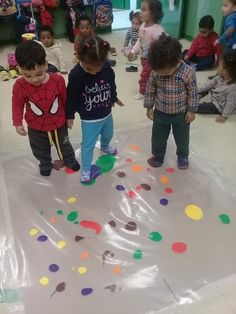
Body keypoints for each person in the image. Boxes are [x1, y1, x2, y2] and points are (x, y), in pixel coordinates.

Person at [12, 40, 80, 176]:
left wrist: (69, 116)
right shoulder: (20, 86)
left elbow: (65, 99)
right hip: (35, 126)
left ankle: (69, 160)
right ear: (19, 69)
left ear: (46, 65)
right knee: (39, 148)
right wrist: (17, 122)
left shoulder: (58, 80)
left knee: (64, 144)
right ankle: (45, 163)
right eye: (28, 75)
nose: (34, 79)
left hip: (59, 123)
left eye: (39, 74)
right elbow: (17, 104)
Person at [66, 35, 124, 183]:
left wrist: (113, 97)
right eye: (90, 69)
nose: (94, 72)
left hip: (106, 113)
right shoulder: (76, 75)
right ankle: (86, 169)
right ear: (80, 57)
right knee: (88, 145)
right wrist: (70, 114)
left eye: (98, 68)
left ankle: (104, 146)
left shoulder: (105, 67)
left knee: (108, 134)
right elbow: (71, 96)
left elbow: (111, 83)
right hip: (89, 119)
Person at [144, 35, 198, 170]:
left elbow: (193, 92)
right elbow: (150, 89)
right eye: (159, 71)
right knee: (158, 138)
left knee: (182, 138)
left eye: (166, 71)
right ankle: (158, 156)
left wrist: (191, 110)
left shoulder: (187, 72)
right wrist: (149, 107)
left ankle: (182, 156)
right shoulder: (156, 71)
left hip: (181, 114)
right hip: (161, 112)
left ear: (177, 61)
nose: (162, 73)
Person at [128, 0, 165, 100]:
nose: (140, 12)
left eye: (144, 10)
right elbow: (140, 41)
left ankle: (142, 92)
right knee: (149, 74)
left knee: (145, 75)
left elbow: (163, 46)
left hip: (153, 59)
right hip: (144, 57)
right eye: (141, 9)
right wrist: (133, 51)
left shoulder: (157, 30)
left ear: (153, 14)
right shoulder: (142, 26)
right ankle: (154, 89)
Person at [197, 50, 236, 123]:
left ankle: (191, 104)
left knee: (198, 107)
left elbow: (231, 104)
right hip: (214, 95)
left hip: (217, 106)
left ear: (226, 70)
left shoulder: (233, 88)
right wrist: (195, 90)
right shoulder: (220, 77)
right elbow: (208, 85)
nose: (217, 67)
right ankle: (196, 96)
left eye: (219, 65)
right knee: (206, 88)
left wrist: (224, 116)